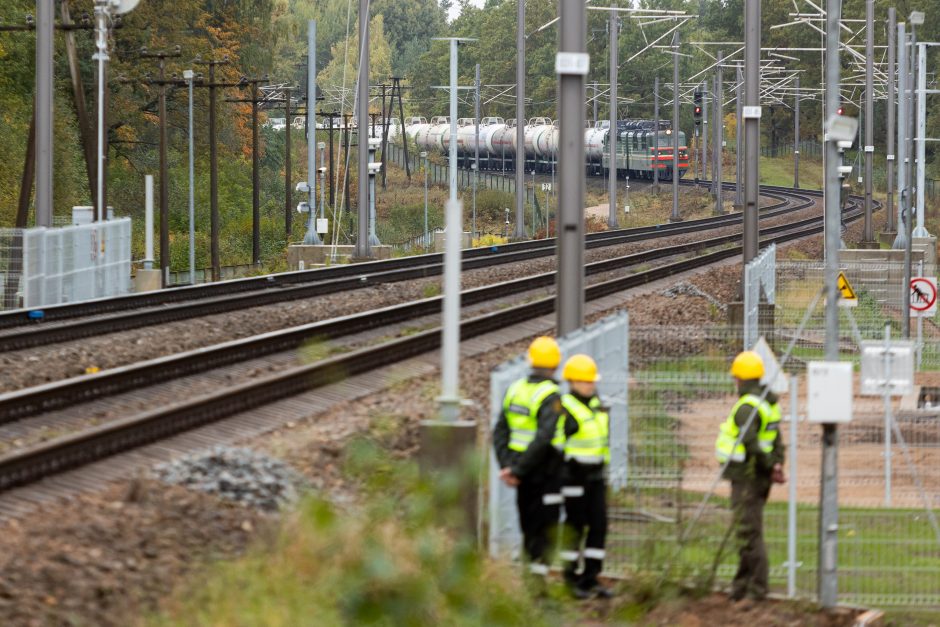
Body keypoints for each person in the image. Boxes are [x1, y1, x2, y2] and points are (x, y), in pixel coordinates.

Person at [715, 350, 786, 602]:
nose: (734, 382)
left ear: (741, 379)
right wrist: (777, 465)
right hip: (759, 477)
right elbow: (777, 441)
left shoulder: (746, 407)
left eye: (736, 378)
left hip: (747, 477)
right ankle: (740, 587)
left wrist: (769, 466)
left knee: (749, 533)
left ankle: (756, 590)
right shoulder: (768, 403)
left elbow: (752, 444)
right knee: (746, 531)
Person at [492, 336, 565, 582]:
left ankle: (529, 579)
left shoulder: (515, 389)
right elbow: (544, 438)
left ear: (530, 361)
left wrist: (508, 467)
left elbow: (499, 431)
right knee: (546, 529)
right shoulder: (551, 395)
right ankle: (537, 586)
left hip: (519, 472)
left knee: (528, 526)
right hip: (544, 473)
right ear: (556, 364)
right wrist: (520, 470)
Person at [556, 354, 612, 600]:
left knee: (599, 525)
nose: (591, 385)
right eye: (586, 381)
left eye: (592, 381)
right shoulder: (566, 408)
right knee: (575, 527)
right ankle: (570, 578)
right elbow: (557, 446)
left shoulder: (594, 404)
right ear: (573, 382)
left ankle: (591, 577)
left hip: (595, 477)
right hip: (574, 478)